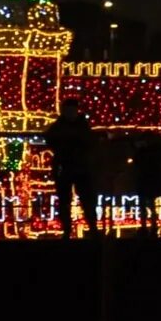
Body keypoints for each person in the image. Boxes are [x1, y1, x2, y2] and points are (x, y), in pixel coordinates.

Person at [45, 99, 97, 237]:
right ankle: (70, 229)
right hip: (71, 166)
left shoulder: (63, 126)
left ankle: (90, 227)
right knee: (68, 200)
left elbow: (50, 140)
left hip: (76, 167)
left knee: (85, 199)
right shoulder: (76, 126)